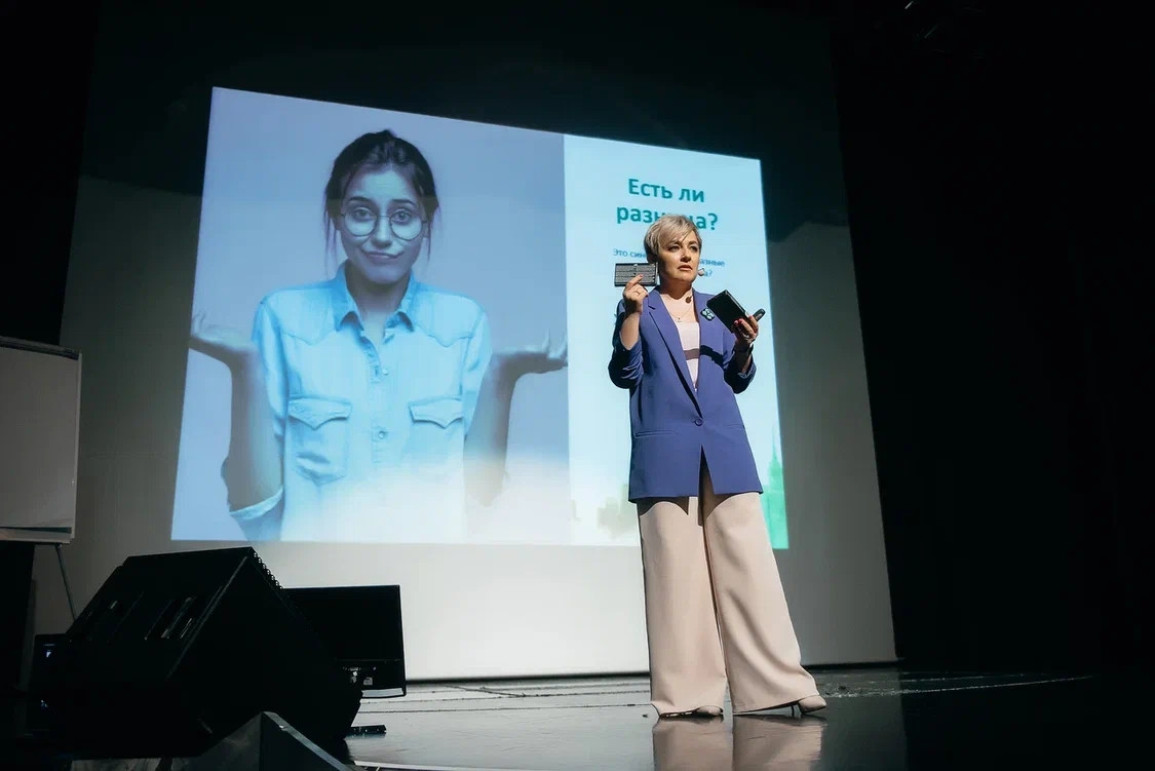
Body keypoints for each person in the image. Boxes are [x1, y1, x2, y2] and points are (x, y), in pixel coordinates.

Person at [190, 129, 565, 542]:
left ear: (426, 222)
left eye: (402, 216)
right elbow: (256, 510)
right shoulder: (282, 316)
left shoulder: (463, 323)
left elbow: (479, 499)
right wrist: (244, 366)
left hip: (432, 572)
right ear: (337, 216)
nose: (383, 236)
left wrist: (502, 376)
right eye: (361, 213)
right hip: (316, 575)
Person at [608, 213, 825, 717]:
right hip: (665, 453)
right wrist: (630, 314)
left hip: (725, 449)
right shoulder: (640, 307)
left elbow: (738, 378)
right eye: (674, 247)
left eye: (693, 246)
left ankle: (780, 685)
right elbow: (625, 372)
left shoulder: (717, 310)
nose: (686, 255)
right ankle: (689, 695)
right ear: (655, 257)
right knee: (676, 579)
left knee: (751, 570)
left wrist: (745, 344)